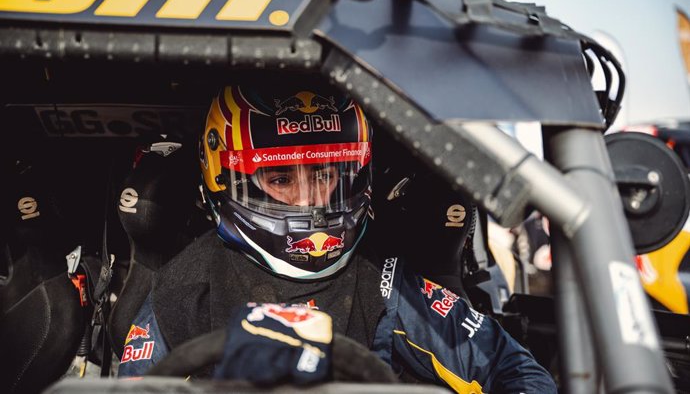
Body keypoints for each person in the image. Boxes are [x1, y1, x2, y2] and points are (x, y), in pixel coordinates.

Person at [117, 83, 557, 393]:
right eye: (282, 176)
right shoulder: (181, 290)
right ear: (226, 180)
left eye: (326, 173)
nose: (311, 200)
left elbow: (513, 369)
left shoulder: (383, 280)